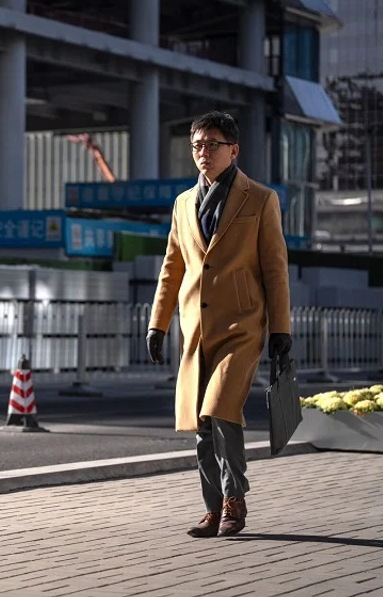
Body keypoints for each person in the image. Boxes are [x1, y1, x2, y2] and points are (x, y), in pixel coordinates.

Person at [146, 111, 292, 538]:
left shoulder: (261, 199)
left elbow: (275, 270)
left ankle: (234, 499)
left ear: (234, 149)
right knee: (201, 422)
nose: (203, 153)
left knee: (221, 409)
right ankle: (212, 509)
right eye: (196, 145)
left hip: (242, 327)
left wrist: (280, 329)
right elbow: (172, 268)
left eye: (212, 144)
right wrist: (159, 323)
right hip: (196, 329)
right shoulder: (182, 203)